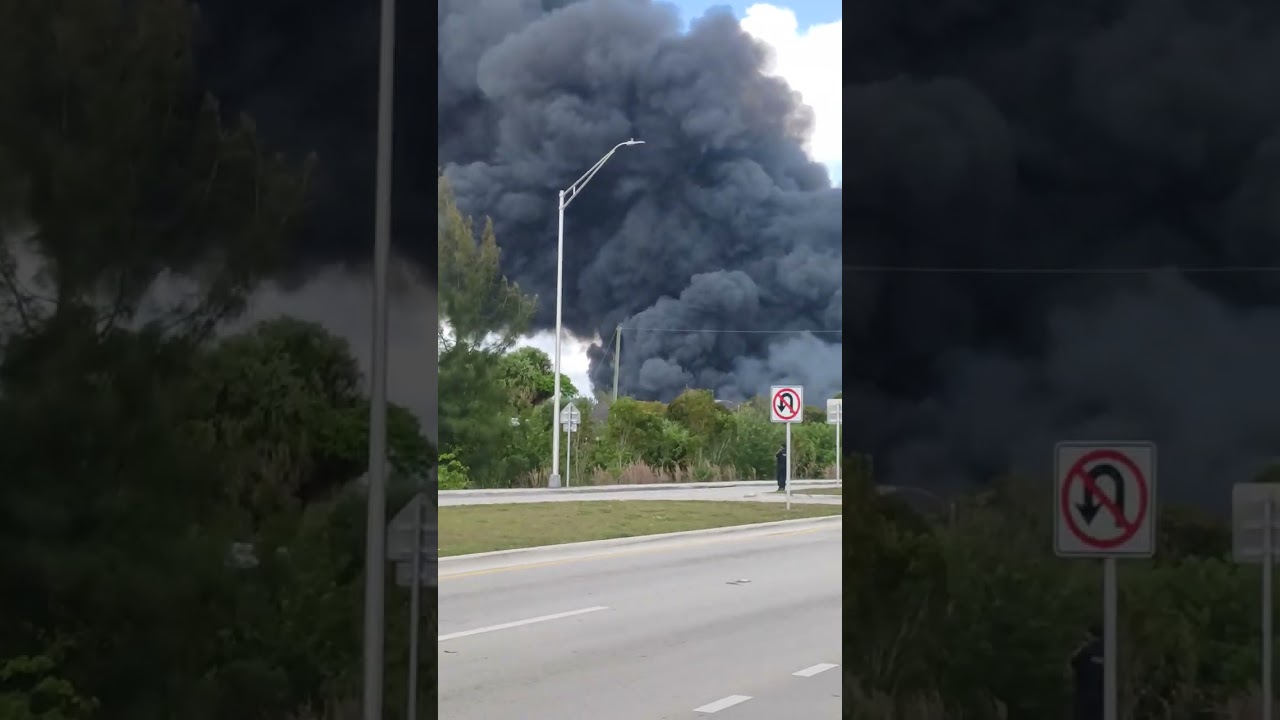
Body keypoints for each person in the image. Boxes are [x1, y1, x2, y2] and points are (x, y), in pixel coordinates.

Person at [1070, 623, 1103, 720]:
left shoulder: (1086, 651)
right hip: (1102, 697)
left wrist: (1081, 647)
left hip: (1085, 696)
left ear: (1090, 635)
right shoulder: (1108, 651)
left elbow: (1073, 662)